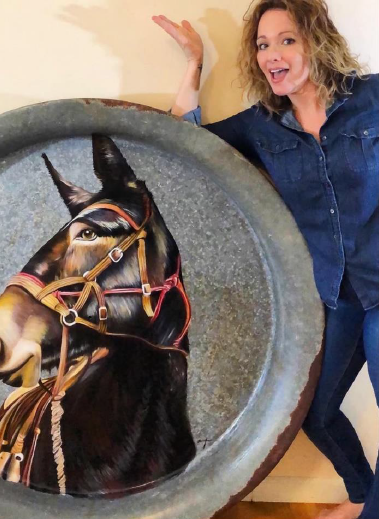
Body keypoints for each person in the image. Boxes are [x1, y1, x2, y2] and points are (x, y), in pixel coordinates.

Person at [152, 1, 378, 518]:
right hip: (335, 296)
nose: (272, 54)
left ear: (317, 42)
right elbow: (183, 147)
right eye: (262, 44)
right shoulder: (262, 126)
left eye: (286, 40)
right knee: (312, 413)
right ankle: (362, 493)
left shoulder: (371, 98)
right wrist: (194, 63)